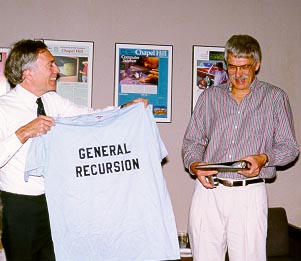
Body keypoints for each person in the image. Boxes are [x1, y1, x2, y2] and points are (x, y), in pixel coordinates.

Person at [0, 39, 148, 261]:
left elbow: (87, 116)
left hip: (55, 202)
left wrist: (123, 110)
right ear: (28, 72)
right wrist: (23, 133)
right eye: (50, 65)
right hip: (20, 207)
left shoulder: (52, 101)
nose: (57, 70)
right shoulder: (3, 108)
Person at [182, 34, 299, 261]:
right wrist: (195, 165)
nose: (238, 74)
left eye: (244, 67)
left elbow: (290, 147)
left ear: (257, 64)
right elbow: (192, 142)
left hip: (249, 193)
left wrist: (264, 158)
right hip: (209, 192)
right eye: (232, 67)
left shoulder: (275, 98)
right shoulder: (209, 97)